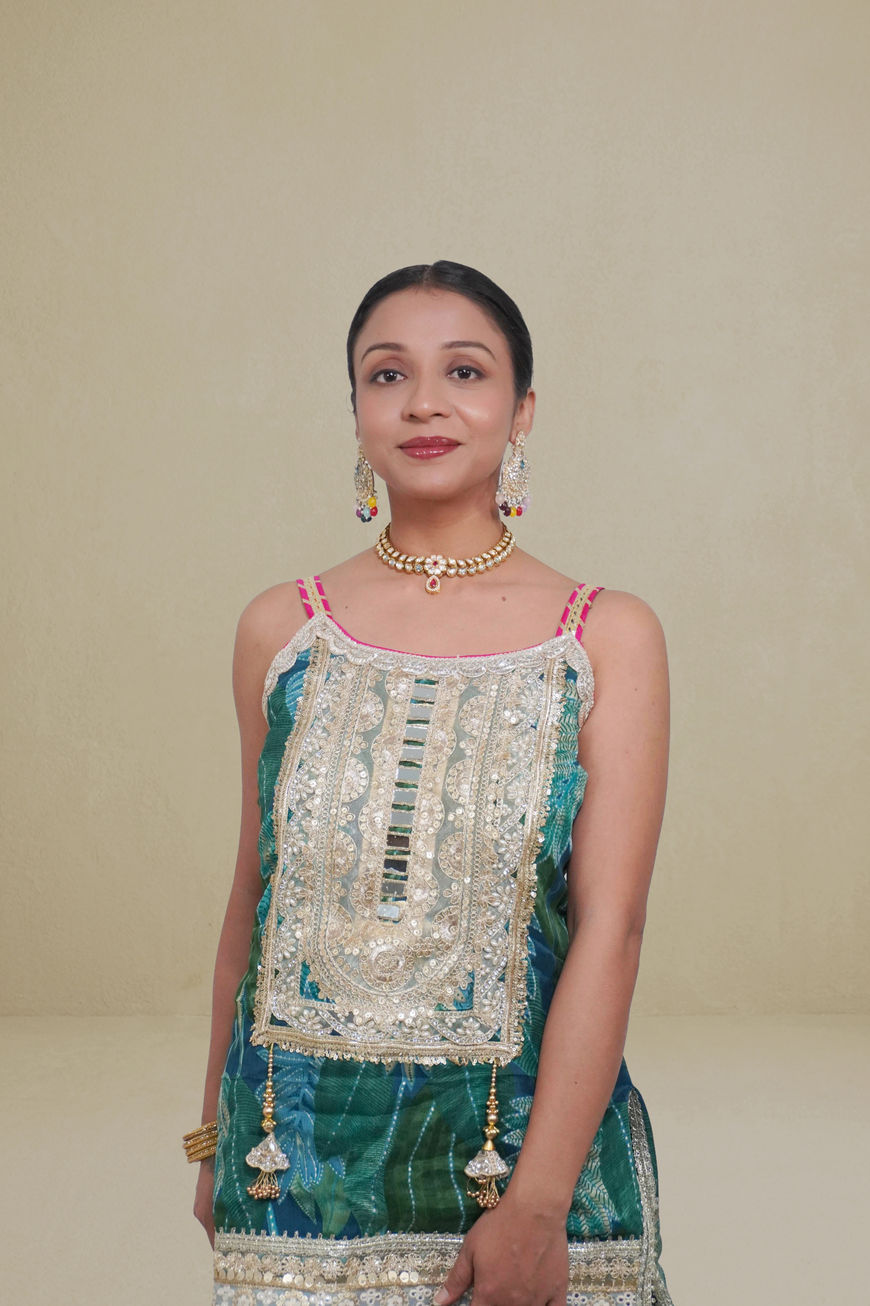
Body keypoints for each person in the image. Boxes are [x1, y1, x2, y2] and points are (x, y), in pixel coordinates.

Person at [186, 261, 673, 1306]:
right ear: (355, 408)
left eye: (464, 370)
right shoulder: (283, 630)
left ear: (522, 408)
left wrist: (537, 1206)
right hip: (289, 1173)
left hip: (520, 1166)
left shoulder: (602, 637)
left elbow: (613, 925)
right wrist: (212, 1138)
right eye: (387, 373)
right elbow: (254, 899)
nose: (423, 403)